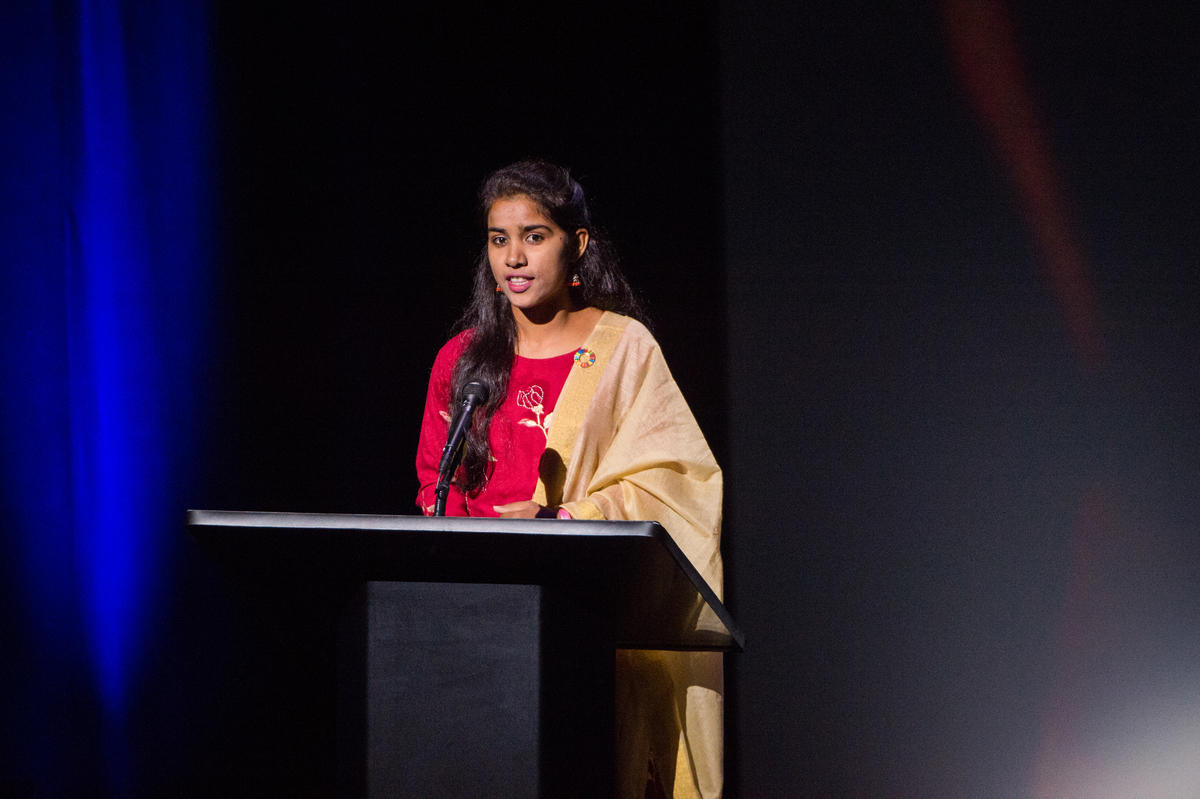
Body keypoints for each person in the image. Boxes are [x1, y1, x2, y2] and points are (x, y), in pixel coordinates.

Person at [415, 159, 725, 798]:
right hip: (475, 620)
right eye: (499, 239)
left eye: (535, 235)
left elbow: (676, 481)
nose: (515, 258)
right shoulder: (463, 359)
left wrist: (563, 522)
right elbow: (432, 487)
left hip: (583, 620)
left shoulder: (624, 349)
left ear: (576, 243)